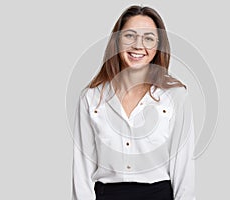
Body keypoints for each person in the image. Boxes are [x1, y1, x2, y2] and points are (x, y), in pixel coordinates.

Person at [72, 5, 196, 200]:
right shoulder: (91, 98)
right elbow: (82, 170)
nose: (138, 45)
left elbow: (183, 168)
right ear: (117, 41)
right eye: (129, 36)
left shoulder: (176, 96)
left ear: (158, 46)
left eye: (148, 38)